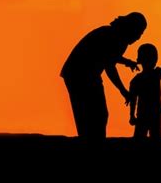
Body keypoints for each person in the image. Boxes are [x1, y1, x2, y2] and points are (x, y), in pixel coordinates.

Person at [61, 12, 147, 143]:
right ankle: (93, 143)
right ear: (131, 28)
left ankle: (92, 141)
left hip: (83, 73)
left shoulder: (114, 34)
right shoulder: (115, 37)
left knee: (94, 114)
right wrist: (123, 91)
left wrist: (127, 62)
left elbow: (110, 56)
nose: (139, 37)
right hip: (80, 74)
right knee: (94, 114)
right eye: (139, 32)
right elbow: (109, 66)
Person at [129, 43, 161, 139]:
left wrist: (131, 115)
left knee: (142, 136)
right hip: (153, 112)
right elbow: (133, 99)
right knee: (154, 136)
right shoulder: (155, 74)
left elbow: (133, 99)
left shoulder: (136, 80)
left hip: (144, 113)